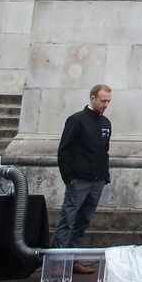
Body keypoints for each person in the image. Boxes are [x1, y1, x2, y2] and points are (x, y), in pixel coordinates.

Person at [54, 83, 113, 270]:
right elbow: (64, 150)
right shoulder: (77, 120)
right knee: (68, 219)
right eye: (103, 101)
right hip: (79, 179)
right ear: (93, 98)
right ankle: (58, 259)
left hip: (96, 180)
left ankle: (73, 259)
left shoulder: (106, 123)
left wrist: (105, 176)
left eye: (108, 101)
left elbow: (104, 151)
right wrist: (69, 178)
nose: (105, 105)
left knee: (83, 221)